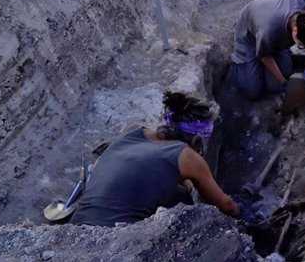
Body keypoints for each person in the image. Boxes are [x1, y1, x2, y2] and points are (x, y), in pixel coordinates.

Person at [70, 91, 239, 226]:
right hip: (116, 242)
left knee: (180, 193)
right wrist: (242, 216)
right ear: (196, 140)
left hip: (78, 229)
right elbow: (226, 206)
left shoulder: (132, 130)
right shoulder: (187, 156)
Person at [228, 0, 305, 100]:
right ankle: (238, 64)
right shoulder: (269, 29)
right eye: (301, 45)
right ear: (295, 30)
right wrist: (283, 82)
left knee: (273, 87)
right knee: (253, 91)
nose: (300, 47)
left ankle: (268, 54)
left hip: (276, 35)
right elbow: (264, 56)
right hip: (248, 36)